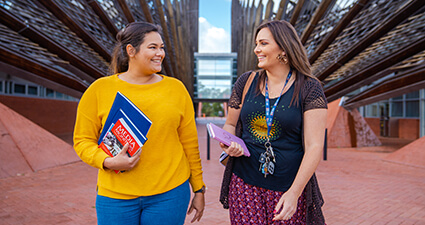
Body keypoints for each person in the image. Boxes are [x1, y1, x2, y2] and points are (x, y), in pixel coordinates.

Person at [73, 21, 205, 225]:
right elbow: (82, 140)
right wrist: (107, 161)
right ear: (131, 50)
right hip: (115, 196)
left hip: (170, 194)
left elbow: (189, 143)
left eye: (162, 48)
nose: (160, 53)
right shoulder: (99, 89)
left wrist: (198, 188)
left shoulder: (176, 89)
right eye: (152, 47)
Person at [219, 20, 328, 224]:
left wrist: (294, 193)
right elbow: (230, 124)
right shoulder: (246, 81)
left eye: (263, 43)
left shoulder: (310, 88)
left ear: (284, 48)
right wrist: (228, 142)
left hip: (288, 185)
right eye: (256, 43)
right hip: (244, 182)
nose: (256, 49)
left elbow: (314, 146)